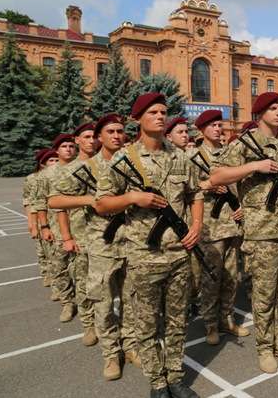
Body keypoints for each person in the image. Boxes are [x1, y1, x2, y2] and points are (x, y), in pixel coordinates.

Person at [95, 92, 202, 398]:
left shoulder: (180, 155)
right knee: (146, 325)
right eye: (153, 112)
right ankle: (157, 382)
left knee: (176, 321)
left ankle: (176, 377)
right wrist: (131, 197)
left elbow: (196, 194)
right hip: (143, 257)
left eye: (163, 112)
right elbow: (102, 204)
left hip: (179, 254)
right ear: (138, 118)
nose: (159, 116)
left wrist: (196, 225)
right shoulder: (124, 158)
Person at [209, 92, 278, 374]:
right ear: (259, 112)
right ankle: (264, 349)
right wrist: (254, 165)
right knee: (264, 295)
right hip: (261, 232)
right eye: (273, 108)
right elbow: (216, 176)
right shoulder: (244, 143)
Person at [84, 114, 141, 380]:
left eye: (120, 131)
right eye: (110, 131)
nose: (117, 135)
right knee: (104, 303)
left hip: (132, 240)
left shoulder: (133, 162)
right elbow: (56, 198)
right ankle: (110, 354)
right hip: (102, 244)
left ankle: (130, 346)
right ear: (99, 137)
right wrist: (91, 199)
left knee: (131, 299)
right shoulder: (88, 166)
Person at [191, 109, 248, 345]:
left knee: (232, 277)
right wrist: (209, 186)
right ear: (202, 129)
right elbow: (189, 189)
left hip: (232, 224)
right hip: (210, 228)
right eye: (213, 125)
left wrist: (242, 206)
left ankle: (227, 319)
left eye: (220, 125)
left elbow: (242, 183)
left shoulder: (230, 154)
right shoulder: (194, 157)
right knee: (211, 279)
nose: (218, 129)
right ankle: (210, 324)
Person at [48, 122, 99, 347]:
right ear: (77, 140)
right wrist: (67, 237)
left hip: (105, 235)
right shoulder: (70, 169)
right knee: (83, 282)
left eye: (94, 136)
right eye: (86, 136)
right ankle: (88, 324)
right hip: (81, 234)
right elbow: (59, 206)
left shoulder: (106, 164)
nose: (91, 140)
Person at [35, 134, 78, 322]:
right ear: (57, 150)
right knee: (60, 267)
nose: (68, 149)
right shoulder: (47, 174)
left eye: (71, 146)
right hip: (56, 228)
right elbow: (40, 203)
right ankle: (67, 302)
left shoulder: (82, 168)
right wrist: (44, 226)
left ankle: (87, 309)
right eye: (64, 146)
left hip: (81, 227)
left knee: (82, 269)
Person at [24, 149, 54, 288]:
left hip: (56, 219)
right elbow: (29, 202)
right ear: (42, 164)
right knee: (43, 250)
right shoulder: (33, 179)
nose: (54, 163)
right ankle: (46, 273)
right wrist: (32, 224)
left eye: (56, 160)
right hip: (42, 218)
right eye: (51, 160)